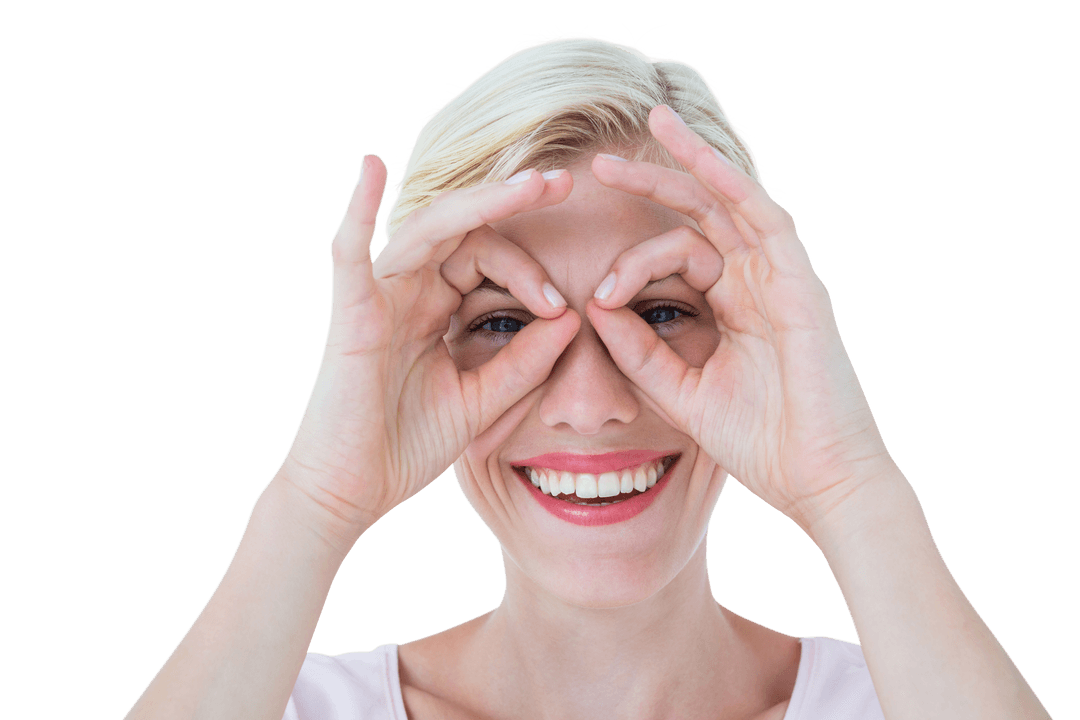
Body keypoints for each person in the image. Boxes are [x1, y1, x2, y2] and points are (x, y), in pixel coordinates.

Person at [123, 33, 1052, 720]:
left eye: (659, 313)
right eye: (503, 323)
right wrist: (317, 500)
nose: (590, 404)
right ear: (422, 353)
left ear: (757, 332)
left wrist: (852, 488)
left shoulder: (907, 697)